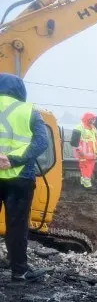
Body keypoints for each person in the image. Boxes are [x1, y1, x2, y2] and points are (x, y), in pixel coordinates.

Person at [0, 73, 49, 281]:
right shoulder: (29, 111)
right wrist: (12, 159)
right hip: (20, 177)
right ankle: (19, 270)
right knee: (17, 225)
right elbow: (41, 142)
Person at [69, 112, 97, 188]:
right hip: (83, 154)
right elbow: (75, 141)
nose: (92, 121)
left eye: (93, 119)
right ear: (87, 119)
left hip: (92, 154)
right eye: (91, 119)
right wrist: (79, 150)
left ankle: (83, 183)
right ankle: (87, 185)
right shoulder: (79, 127)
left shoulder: (93, 127)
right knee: (85, 168)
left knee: (90, 169)